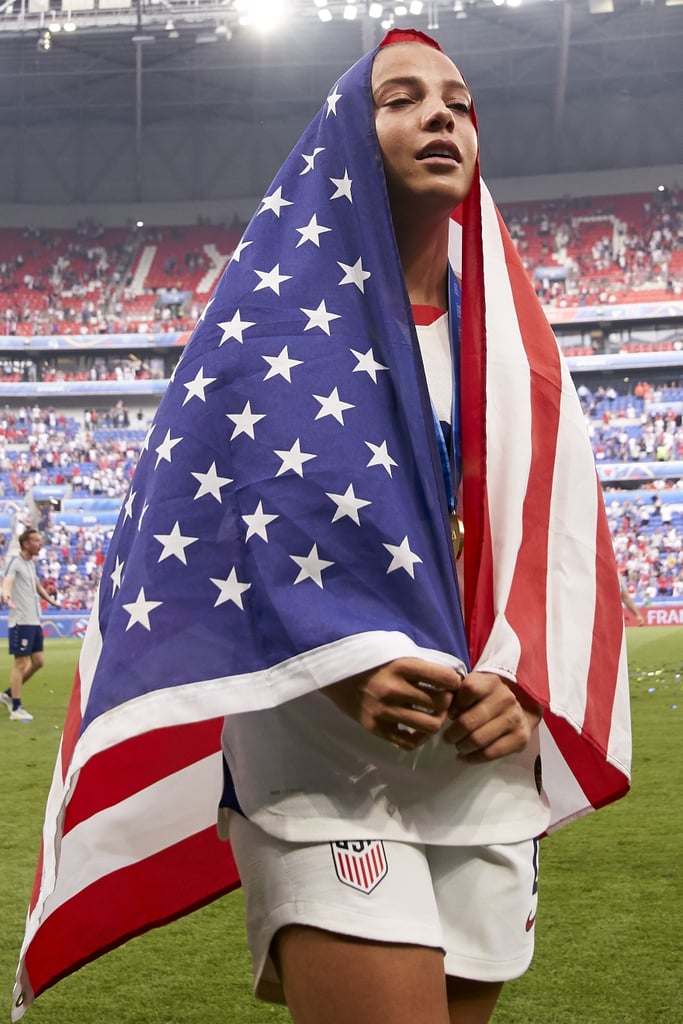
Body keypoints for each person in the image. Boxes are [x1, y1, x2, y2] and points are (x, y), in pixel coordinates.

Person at [13, 28, 631, 1024]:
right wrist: (337, 662)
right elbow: (188, 535)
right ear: (344, 137)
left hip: (477, 759)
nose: (439, 113)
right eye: (400, 97)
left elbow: (549, 552)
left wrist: (524, 688)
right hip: (320, 753)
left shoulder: (518, 350)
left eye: (457, 101)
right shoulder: (264, 331)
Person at [1, 528, 58, 722]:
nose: (40, 544)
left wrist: (50, 600)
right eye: (36, 540)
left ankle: (8, 694)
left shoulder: (30, 564)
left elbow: (36, 585)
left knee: (38, 662)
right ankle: (16, 708)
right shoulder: (15, 562)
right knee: (21, 663)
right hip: (21, 621)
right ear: (26, 544)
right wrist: (6, 597)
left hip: (34, 621)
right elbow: (6, 583)